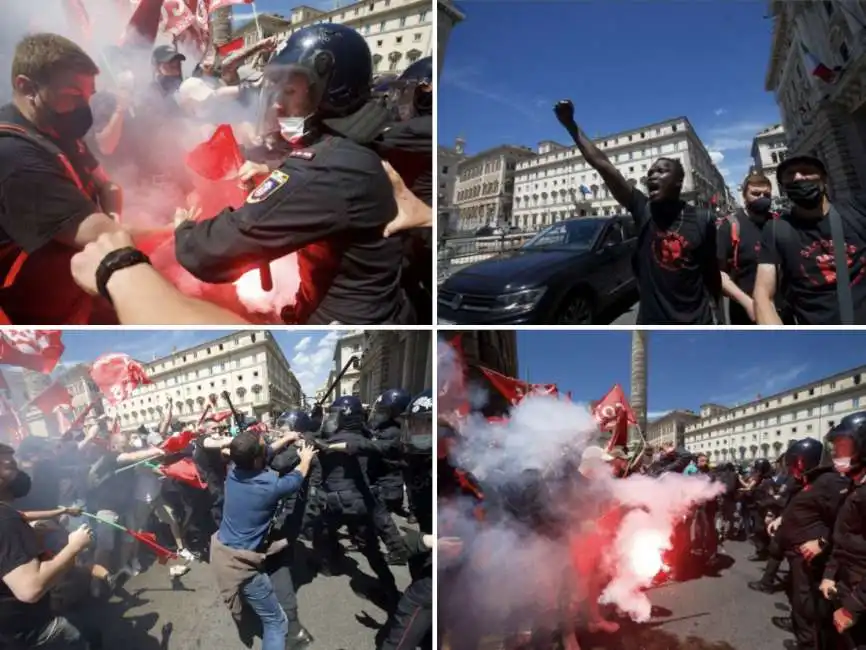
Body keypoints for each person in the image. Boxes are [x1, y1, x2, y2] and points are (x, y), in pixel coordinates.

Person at [174, 24, 410, 325]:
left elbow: (210, 253)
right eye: (276, 90)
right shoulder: (352, 148)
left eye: (290, 91)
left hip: (340, 318)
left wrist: (185, 232)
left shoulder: (329, 166)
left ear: (330, 91)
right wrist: (273, 172)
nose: (277, 103)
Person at [553, 99, 721, 324]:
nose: (651, 175)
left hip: (696, 321)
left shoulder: (702, 219)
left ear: (679, 181)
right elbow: (604, 165)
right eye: (650, 172)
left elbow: (711, 274)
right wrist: (571, 126)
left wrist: (718, 314)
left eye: (661, 171)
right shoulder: (643, 208)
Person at [0, 32, 125, 324]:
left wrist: (114, 220)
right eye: (73, 95)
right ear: (27, 87)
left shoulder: (59, 130)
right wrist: (174, 230)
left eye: (88, 96)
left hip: (82, 288)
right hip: (37, 310)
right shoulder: (13, 153)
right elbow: (95, 231)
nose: (83, 108)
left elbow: (108, 184)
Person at [210, 429, 317, 650]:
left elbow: (265, 452)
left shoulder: (232, 471)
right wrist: (305, 457)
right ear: (258, 459)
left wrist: (286, 438)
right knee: (276, 622)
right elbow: (297, 477)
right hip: (240, 564)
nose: (266, 446)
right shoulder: (270, 487)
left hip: (222, 549)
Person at [0, 443, 96, 649]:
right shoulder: (4, 519)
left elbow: (21, 517)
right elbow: (30, 588)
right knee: (88, 636)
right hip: (30, 631)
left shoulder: (7, 516)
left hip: (9, 635)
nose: (19, 471)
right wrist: (75, 546)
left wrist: (61, 512)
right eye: (11, 466)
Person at [754, 155, 866, 324]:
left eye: (806, 171)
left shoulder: (857, 212)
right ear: (783, 187)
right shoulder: (776, 229)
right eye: (791, 174)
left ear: (824, 179)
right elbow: (763, 295)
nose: (798, 177)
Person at [717, 172, 785, 324]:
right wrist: (747, 302)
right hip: (745, 312)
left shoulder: (778, 223)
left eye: (766, 194)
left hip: (782, 310)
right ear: (744, 195)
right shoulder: (730, 226)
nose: (761, 197)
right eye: (755, 193)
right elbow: (718, 273)